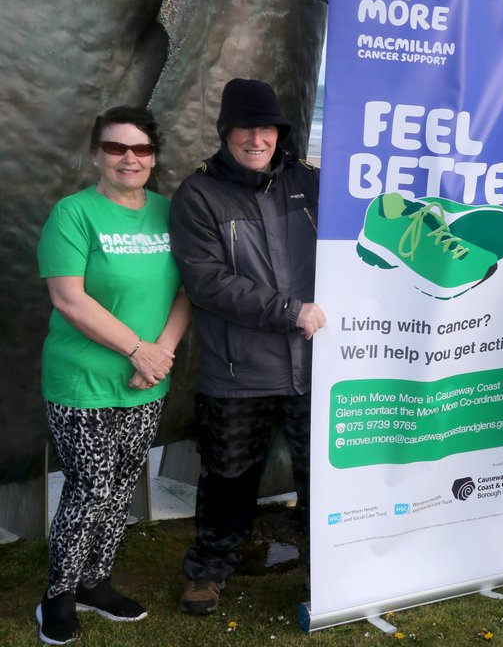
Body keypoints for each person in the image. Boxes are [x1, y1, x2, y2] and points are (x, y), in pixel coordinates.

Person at [169, 78, 326, 615]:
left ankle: (326, 568)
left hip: (315, 365)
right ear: (226, 132)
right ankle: (210, 570)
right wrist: (291, 312)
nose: (257, 139)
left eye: (268, 129)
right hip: (237, 372)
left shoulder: (310, 183)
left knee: (321, 475)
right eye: (246, 128)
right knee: (228, 477)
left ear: (280, 134)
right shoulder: (199, 194)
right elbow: (208, 282)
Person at [36, 106, 191, 645]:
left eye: (141, 149)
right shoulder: (73, 214)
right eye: (116, 148)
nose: (130, 158)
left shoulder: (171, 212)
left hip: (148, 380)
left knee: (122, 484)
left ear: (154, 157)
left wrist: (160, 355)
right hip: (83, 380)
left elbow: (185, 290)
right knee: (91, 486)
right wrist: (136, 350)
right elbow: (68, 297)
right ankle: (57, 595)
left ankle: (95, 583)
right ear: (97, 155)